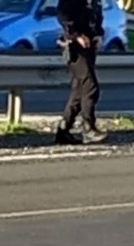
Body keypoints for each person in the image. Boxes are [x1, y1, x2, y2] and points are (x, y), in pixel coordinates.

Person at [56, 0, 107, 144]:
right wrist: (76, 35)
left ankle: (63, 130)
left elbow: (96, 14)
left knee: (79, 91)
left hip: (89, 45)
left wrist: (98, 33)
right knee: (90, 86)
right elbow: (63, 15)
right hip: (74, 46)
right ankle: (88, 128)